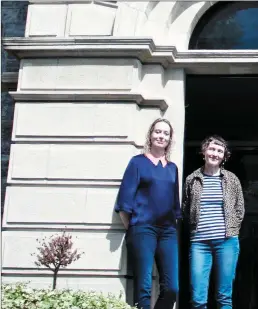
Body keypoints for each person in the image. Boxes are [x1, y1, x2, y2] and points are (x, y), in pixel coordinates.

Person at [115, 118, 181, 309]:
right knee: (143, 287)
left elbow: (174, 205)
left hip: (168, 231)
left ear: (170, 139)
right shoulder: (137, 163)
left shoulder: (172, 168)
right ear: (151, 135)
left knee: (172, 289)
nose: (161, 136)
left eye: (166, 133)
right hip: (142, 229)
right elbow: (124, 202)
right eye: (158, 132)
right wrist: (135, 228)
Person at [182, 135, 245, 309]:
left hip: (227, 243)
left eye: (219, 151)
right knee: (197, 298)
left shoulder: (231, 179)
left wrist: (232, 229)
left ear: (224, 156)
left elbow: (239, 209)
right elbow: (186, 209)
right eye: (211, 149)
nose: (215, 154)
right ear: (204, 152)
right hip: (199, 244)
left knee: (224, 296)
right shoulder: (192, 179)